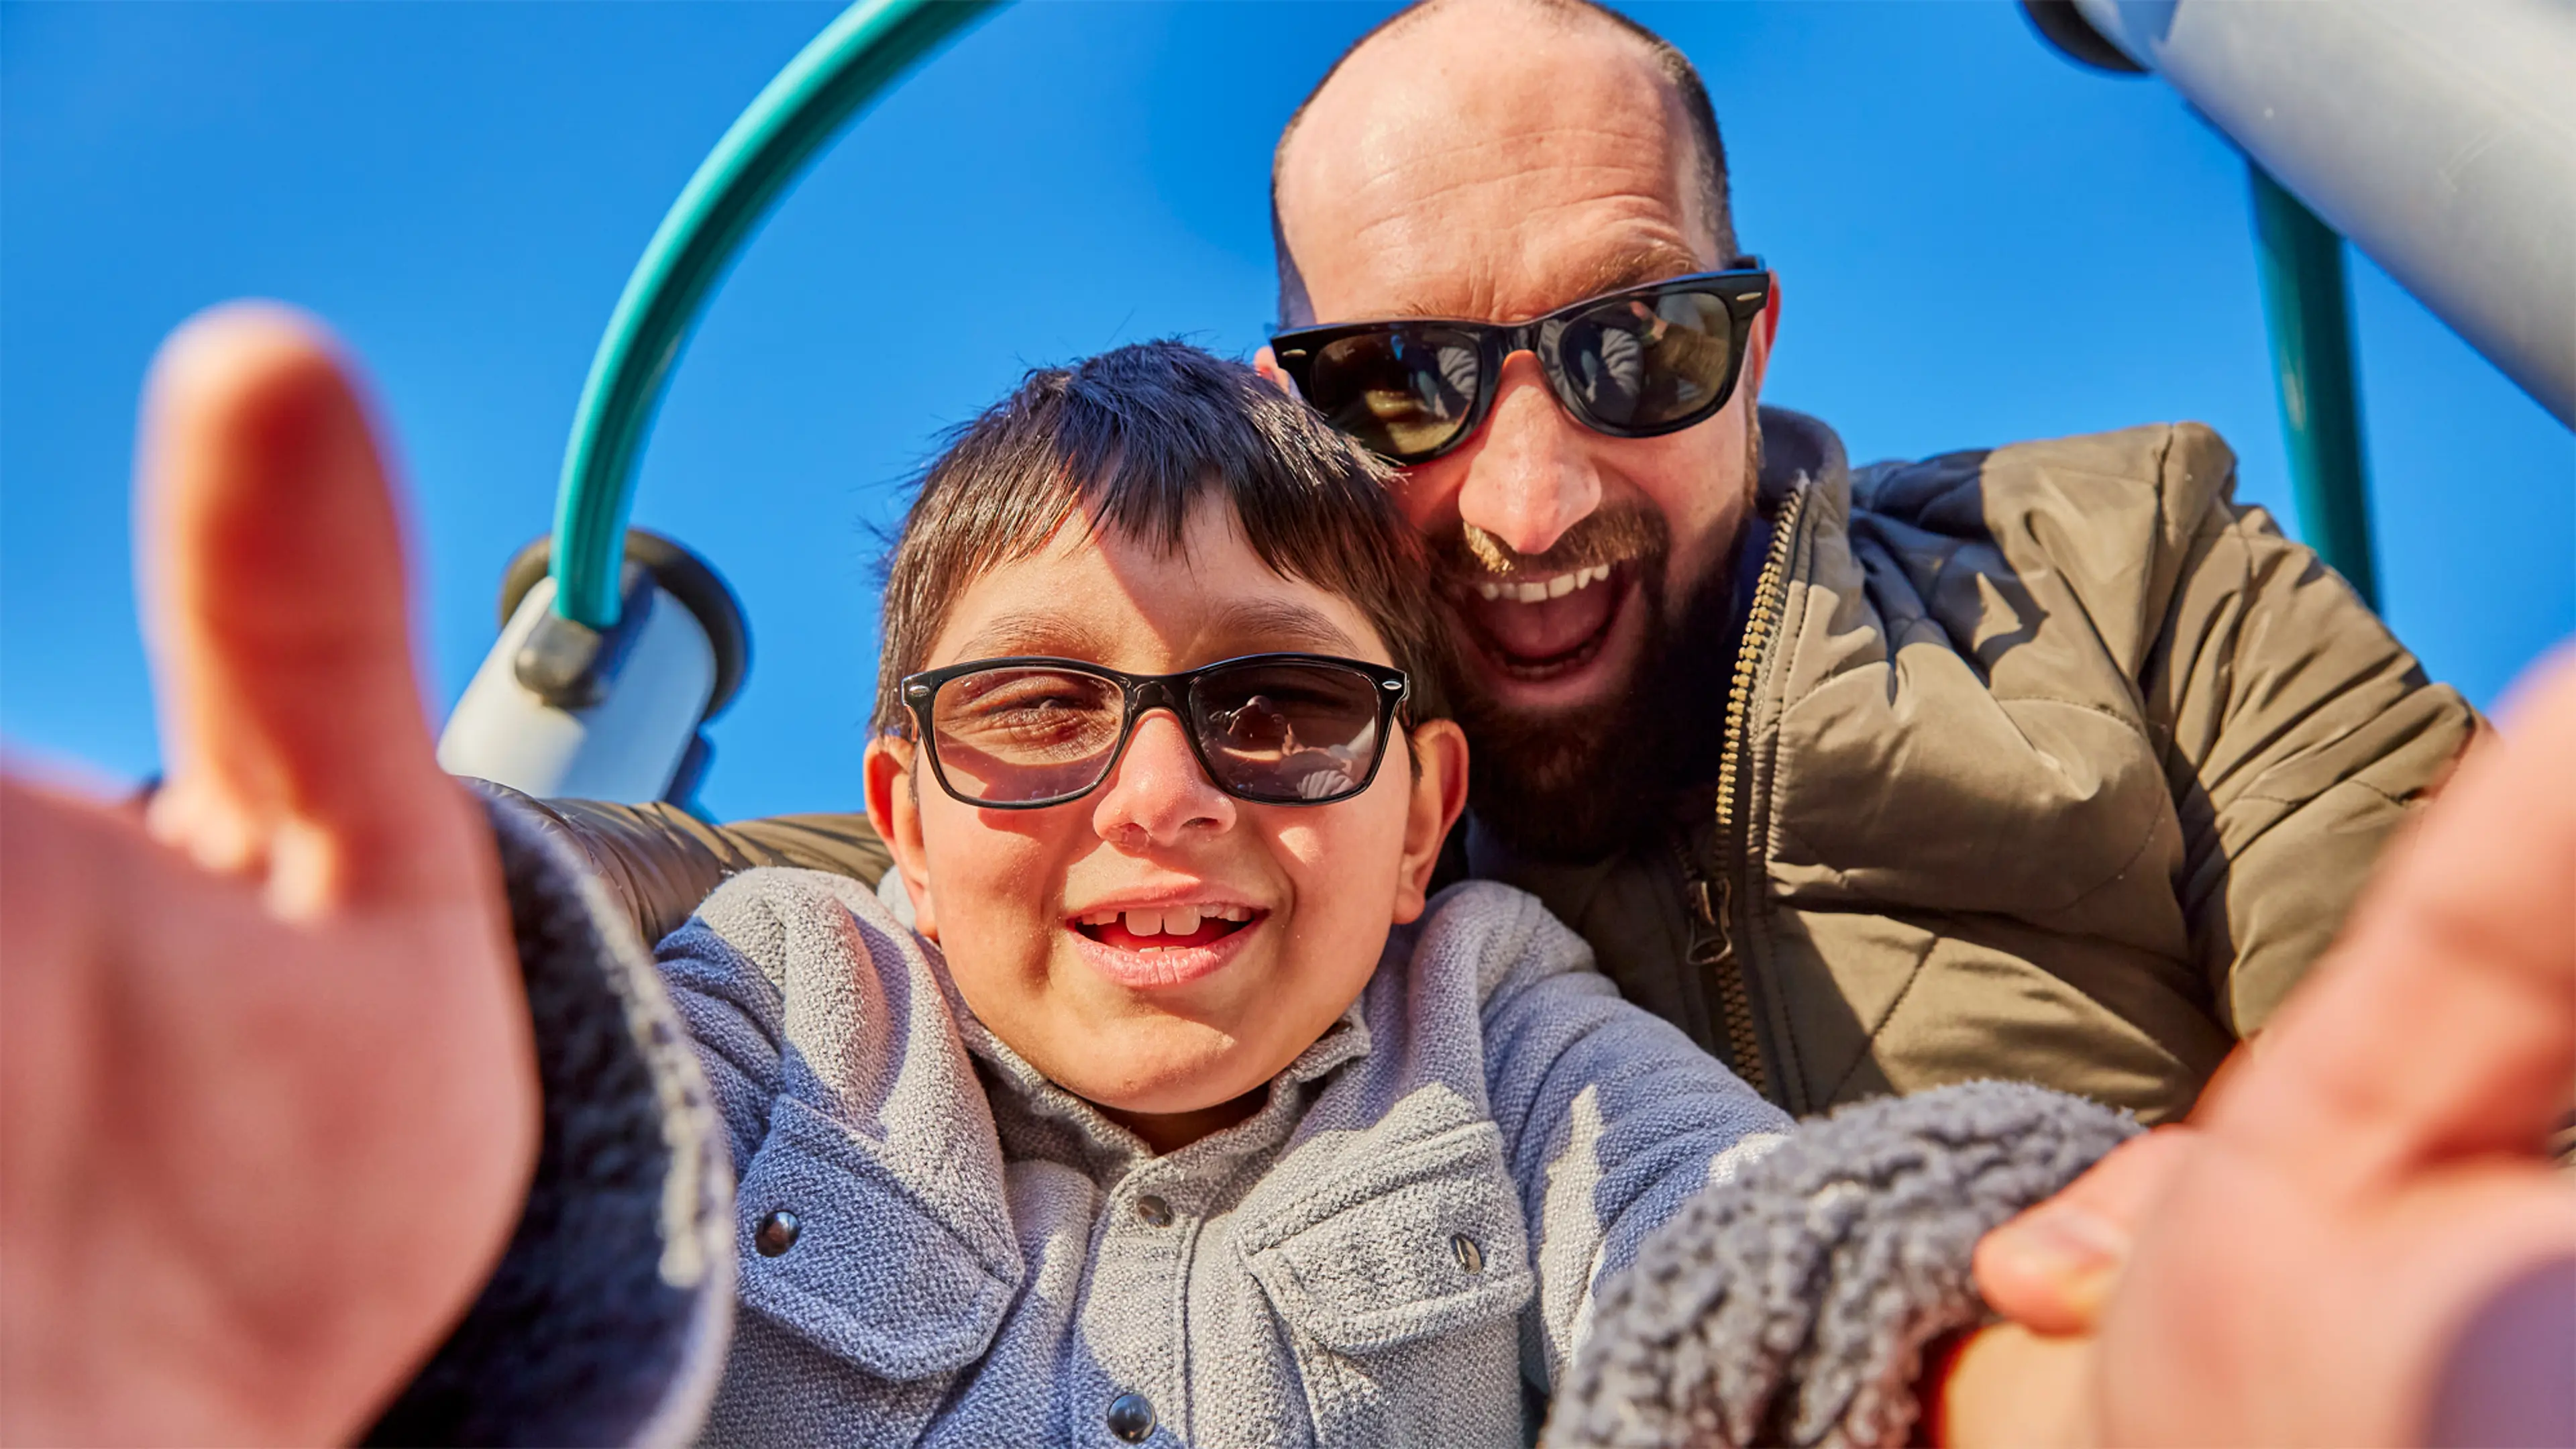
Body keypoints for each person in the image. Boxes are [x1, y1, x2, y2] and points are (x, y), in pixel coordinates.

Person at [4, 307, 2567, 1448]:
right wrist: (417, 1285)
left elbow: (1778, 1278)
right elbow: (524, 1179)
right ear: (893, 810)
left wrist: (2083, 1389)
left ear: (1422, 805)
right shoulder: (775, 999)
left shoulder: (1505, 1035)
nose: (1163, 801)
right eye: (1034, 713)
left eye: (1281, 707)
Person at [545, 0, 2477, 1128]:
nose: (1533, 500)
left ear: (1757, 346)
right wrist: (514, 862)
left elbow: (2486, 1091)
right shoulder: (1283, 772)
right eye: (1406, 386)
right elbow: (906, 862)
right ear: (1294, 406)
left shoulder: (2125, 572)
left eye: (1639, 346)